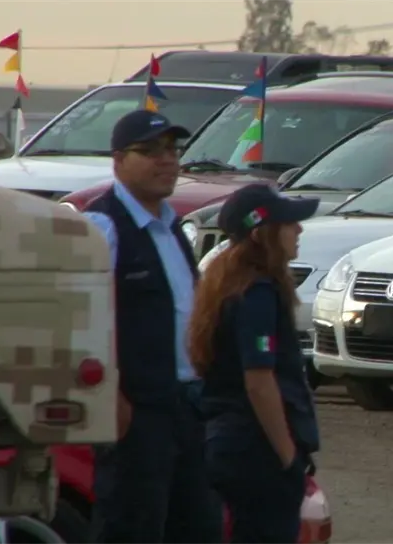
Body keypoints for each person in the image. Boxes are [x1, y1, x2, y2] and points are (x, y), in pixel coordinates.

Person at [82, 109, 218, 544]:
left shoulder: (171, 226)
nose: (167, 161)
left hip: (189, 406)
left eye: (172, 150)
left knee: (198, 527)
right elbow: (86, 316)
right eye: (151, 151)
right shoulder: (104, 225)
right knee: (133, 526)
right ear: (118, 160)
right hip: (139, 412)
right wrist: (113, 395)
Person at [188, 183, 321, 544]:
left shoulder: (227, 284)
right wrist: (288, 457)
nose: (299, 230)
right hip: (255, 451)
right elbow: (259, 381)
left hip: (233, 444)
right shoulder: (256, 294)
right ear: (263, 234)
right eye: (290, 223)